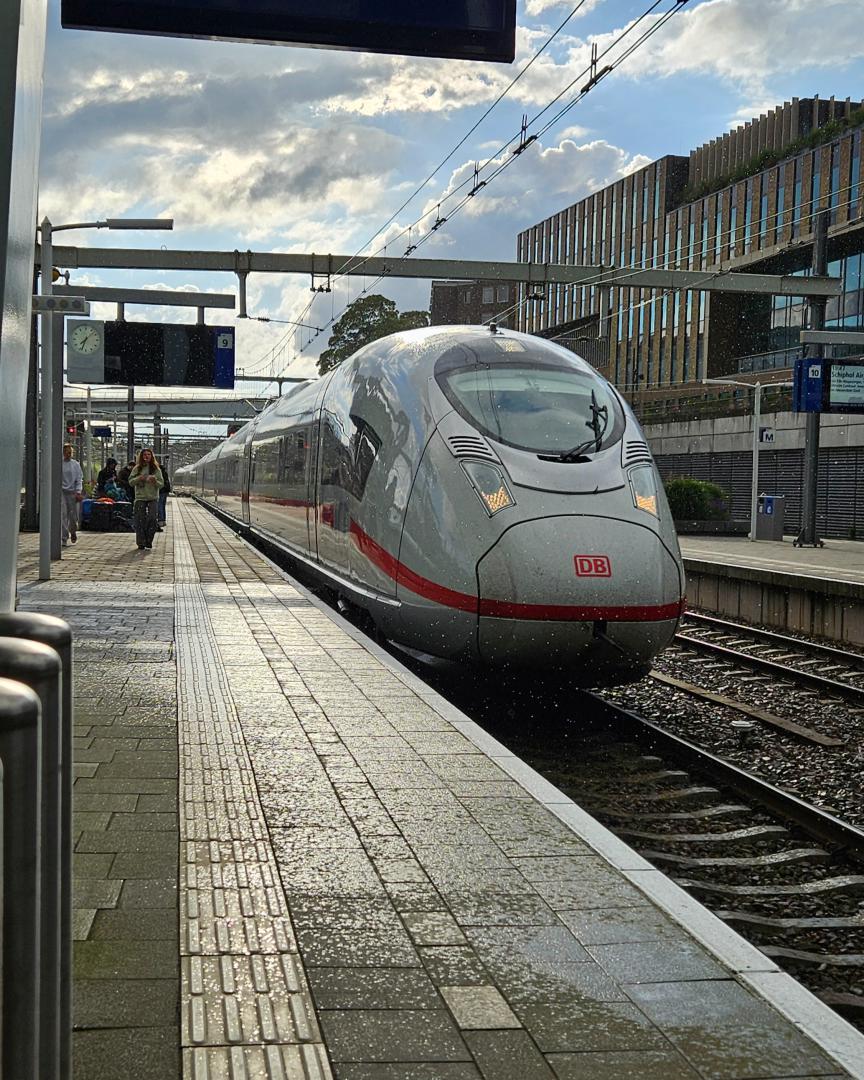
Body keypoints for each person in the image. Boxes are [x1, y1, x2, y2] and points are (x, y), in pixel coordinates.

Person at [128, 447, 163, 551]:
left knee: (152, 518)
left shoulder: (156, 469)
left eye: (148, 454)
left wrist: (155, 481)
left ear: (151, 456)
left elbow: (161, 484)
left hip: (152, 497)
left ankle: (149, 540)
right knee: (139, 519)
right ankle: (141, 542)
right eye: (144, 455)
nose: (146, 456)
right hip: (140, 497)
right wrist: (139, 478)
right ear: (141, 457)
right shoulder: (137, 468)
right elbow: (130, 482)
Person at [61, 443, 83, 547]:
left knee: (73, 516)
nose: (68, 454)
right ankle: (63, 538)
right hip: (62, 493)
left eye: (70, 452)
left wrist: (78, 491)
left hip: (73, 492)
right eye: (66, 452)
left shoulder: (75, 465)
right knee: (63, 515)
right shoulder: (59, 464)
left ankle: (73, 531)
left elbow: (79, 479)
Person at [157, 463, 171, 530]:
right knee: (162, 505)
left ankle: (160, 520)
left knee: (159, 505)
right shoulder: (164, 471)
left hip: (161, 490)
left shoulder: (159, 472)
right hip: (165, 490)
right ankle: (163, 520)